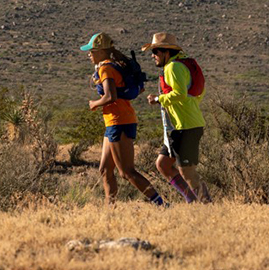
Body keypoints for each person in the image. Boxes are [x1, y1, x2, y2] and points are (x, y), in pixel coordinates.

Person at [81, 32, 166, 207]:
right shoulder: (112, 65)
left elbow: (110, 96)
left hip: (118, 121)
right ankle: (110, 208)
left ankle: (161, 204)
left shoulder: (106, 69)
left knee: (126, 172)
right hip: (115, 121)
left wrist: (94, 104)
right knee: (105, 169)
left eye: (91, 50)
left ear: (101, 51)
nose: (89, 54)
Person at [143, 32, 212, 203]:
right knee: (163, 164)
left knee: (187, 172)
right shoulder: (184, 64)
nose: (153, 56)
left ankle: (207, 206)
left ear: (166, 52)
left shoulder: (173, 67)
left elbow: (180, 94)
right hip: (179, 126)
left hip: (185, 127)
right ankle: (193, 201)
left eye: (156, 51)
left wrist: (158, 99)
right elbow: (198, 92)